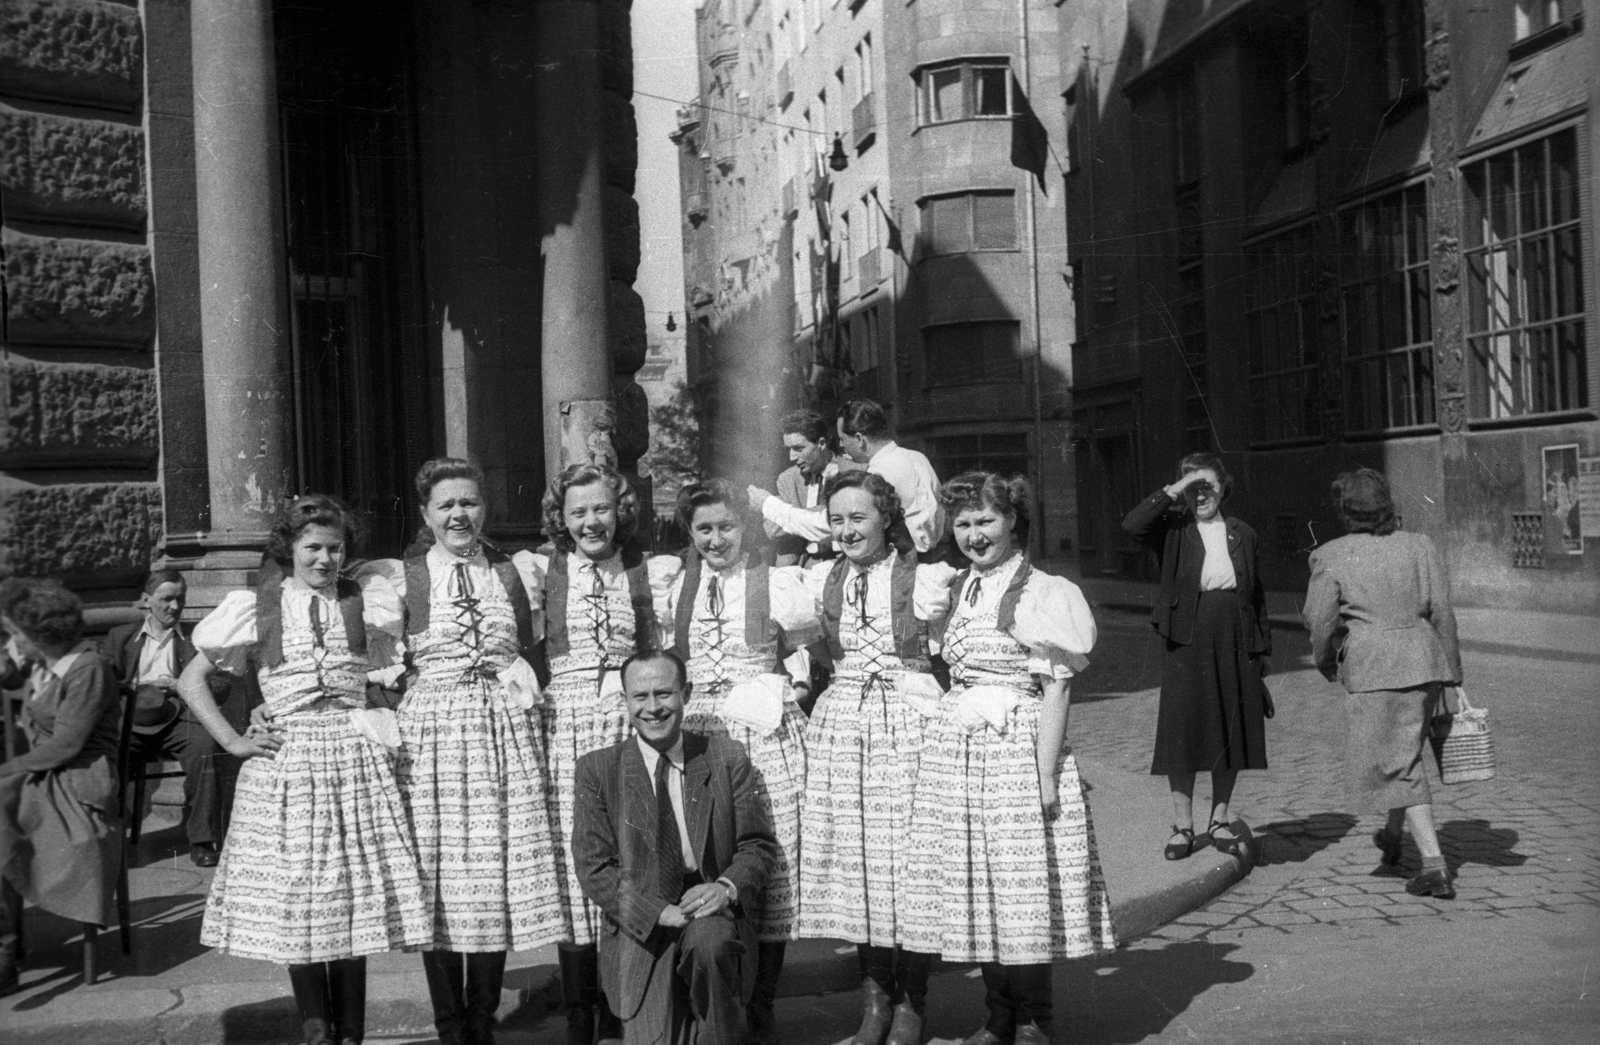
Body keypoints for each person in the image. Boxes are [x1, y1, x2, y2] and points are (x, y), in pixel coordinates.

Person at [178, 495, 430, 1045]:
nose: (324, 559)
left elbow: (391, 671)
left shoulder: (368, 600)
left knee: (350, 909)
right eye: (312, 547)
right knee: (301, 907)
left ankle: (352, 1037)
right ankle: (319, 1036)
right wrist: (233, 739)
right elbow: (191, 679)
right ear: (288, 549)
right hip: (286, 768)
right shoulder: (259, 604)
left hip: (353, 763)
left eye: (335, 548)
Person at [902, 473, 1115, 1045]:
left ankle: (1031, 1019)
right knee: (980, 887)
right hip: (959, 754)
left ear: (1013, 520)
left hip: (1016, 752)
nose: (974, 535)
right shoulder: (957, 587)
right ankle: (997, 1014)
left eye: (985, 521)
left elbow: (1057, 690)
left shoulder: (1045, 591)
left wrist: (1044, 776)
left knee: (1021, 887)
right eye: (964, 524)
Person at [362, 458, 568, 1045]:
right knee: (442, 880)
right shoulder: (402, 577)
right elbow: (363, 657)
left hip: (506, 734)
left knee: (494, 876)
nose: (460, 515)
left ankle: (481, 1021)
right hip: (435, 739)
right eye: (446, 505)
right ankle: (450, 1023)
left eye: (469, 503)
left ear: (485, 508)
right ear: (426, 514)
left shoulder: (515, 571)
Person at [656, 479, 820, 1042]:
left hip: (761, 728)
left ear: (745, 528)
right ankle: (714, 1001)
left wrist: (791, 682)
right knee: (705, 856)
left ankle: (762, 1001)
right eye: (704, 528)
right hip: (699, 730)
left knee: (768, 857)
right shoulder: (678, 586)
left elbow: (807, 639)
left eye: (726, 526)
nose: (716, 538)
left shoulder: (774, 583)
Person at [797, 470, 955, 1045]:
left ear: (886, 517)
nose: (845, 531)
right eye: (836, 520)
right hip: (843, 726)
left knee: (907, 869)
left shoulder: (924, 577)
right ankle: (876, 1003)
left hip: (909, 721)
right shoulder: (821, 579)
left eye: (857, 518)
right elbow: (807, 644)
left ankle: (913, 1003)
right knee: (860, 868)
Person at [524, 462, 679, 1041]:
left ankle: (632, 999)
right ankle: (581, 1009)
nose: (592, 521)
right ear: (561, 520)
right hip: (564, 724)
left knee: (636, 852)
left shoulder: (646, 572)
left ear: (621, 512)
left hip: (626, 727)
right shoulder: (540, 570)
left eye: (602, 509)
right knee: (577, 862)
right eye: (578, 512)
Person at [571, 649, 777, 1045]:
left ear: (687, 693)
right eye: (640, 697)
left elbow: (757, 846)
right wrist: (657, 912)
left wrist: (725, 888)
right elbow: (594, 867)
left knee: (711, 946)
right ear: (625, 701)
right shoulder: (598, 770)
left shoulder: (725, 756)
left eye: (664, 694)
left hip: (709, 916)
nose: (653, 708)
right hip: (642, 926)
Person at [1302, 467, 1464, 899]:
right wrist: (1453, 673)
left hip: (1375, 668)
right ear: (1386, 504)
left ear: (1345, 510)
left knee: (1398, 761)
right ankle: (1393, 835)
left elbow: (1319, 620)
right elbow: (1443, 612)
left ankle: (1434, 866)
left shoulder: (1331, 555)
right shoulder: (1419, 545)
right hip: (1424, 662)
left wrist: (1326, 663)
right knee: (1404, 752)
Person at [1121, 452, 1270, 861]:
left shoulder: (1244, 533)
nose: (1201, 495)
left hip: (1236, 635)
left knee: (1231, 728)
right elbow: (1132, 525)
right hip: (1186, 636)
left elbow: (1257, 597)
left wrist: (1263, 650)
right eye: (1193, 487)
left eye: (1209, 486)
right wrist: (1174, 491)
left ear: (1224, 488)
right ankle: (1182, 825)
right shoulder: (1172, 529)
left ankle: (1219, 819)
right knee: (1182, 730)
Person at [0, 580, 122, 996]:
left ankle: (5, 949)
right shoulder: (47, 667)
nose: (13, 642)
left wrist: (9, 768)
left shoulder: (88, 668)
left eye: (17, 635)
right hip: (49, 777)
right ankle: (6, 944)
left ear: (41, 635)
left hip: (79, 783)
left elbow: (66, 745)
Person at [102, 570, 235, 867]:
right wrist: (132, 689)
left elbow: (222, 687)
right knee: (107, 754)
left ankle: (202, 840)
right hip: (133, 721)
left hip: (178, 718)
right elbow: (103, 682)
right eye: (166, 599)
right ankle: (112, 840)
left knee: (205, 749)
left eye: (180, 599)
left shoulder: (196, 638)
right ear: (146, 601)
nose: (175, 607)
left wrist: (181, 685)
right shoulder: (121, 637)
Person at [749, 398, 945, 557]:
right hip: (933, 557)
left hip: (903, 564)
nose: (841, 447)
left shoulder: (876, 475)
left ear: (859, 439)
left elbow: (828, 526)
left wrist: (767, 504)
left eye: (843, 440)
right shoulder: (917, 458)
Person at [767, 409, 863, 566]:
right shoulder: (788, 479)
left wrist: (794, 517)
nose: (791, 457)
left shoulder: (854, 472)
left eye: (799, 448)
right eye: (788, 449)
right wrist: (821, 512)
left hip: (846, 562)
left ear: (821, 444)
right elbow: (773, 529)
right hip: (804, 565)